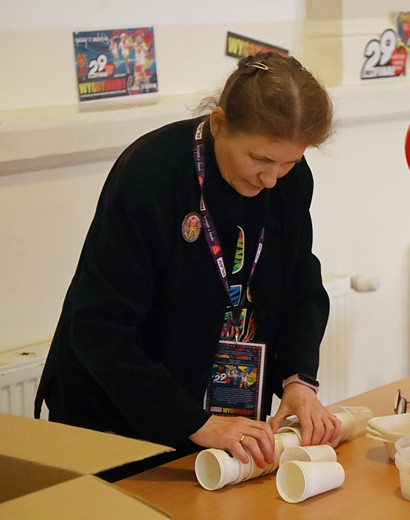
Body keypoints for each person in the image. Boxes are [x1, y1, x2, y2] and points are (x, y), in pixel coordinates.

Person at [34, 51, 340, 479]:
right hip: (118, 415)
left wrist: (298, 380)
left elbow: (300, 282)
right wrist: (194, 422)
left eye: (288, 162)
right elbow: (99, 328)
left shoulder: (291, 180)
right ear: (218, 125)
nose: (271, 179)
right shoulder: (151, 172)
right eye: (260, 159)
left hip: (220, 414)